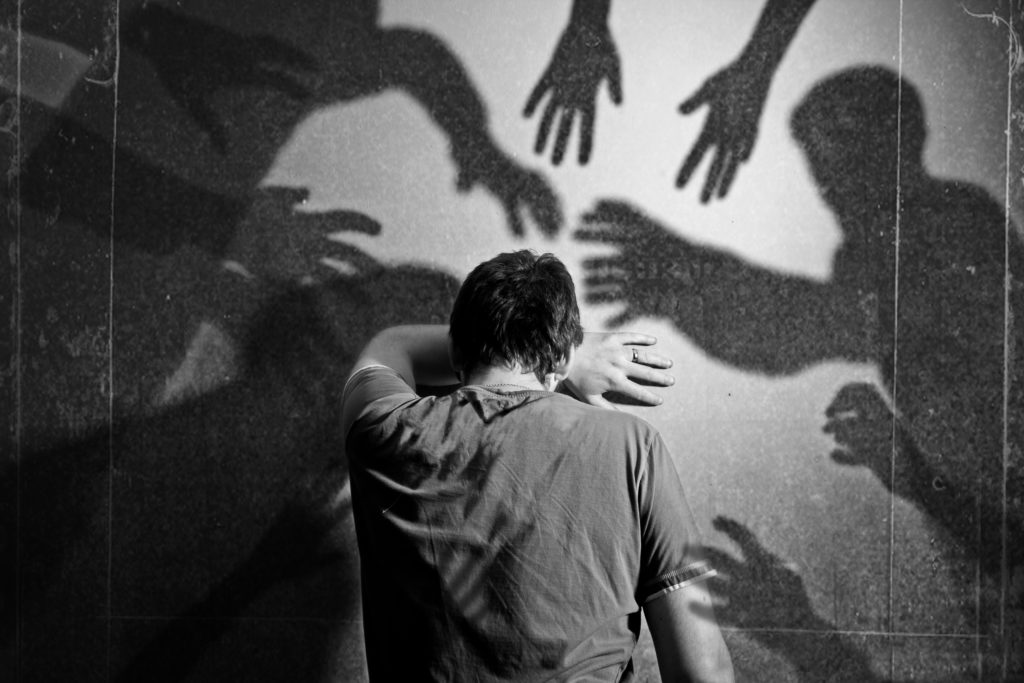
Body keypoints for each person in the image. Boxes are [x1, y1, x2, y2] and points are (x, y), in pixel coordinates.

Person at [341, 250, 734, 681]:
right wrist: (564, 350)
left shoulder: (383, 432)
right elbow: (703, 672)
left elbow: (390, 347)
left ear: (455, 349)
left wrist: (557, 350)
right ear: (562, 358)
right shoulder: (632, 447)